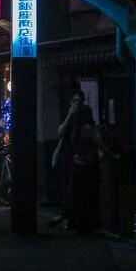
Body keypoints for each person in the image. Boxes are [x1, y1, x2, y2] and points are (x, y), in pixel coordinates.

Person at [50, 90, 118, 232]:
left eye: (79, 101)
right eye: (74, 101)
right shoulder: (83, 126)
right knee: (82, 193)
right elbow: (62, 132)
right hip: (82, 162)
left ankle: (68, 218)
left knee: (73, 191)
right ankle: (78, 221)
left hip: (76, 161)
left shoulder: (78, 127)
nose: (77, 104)